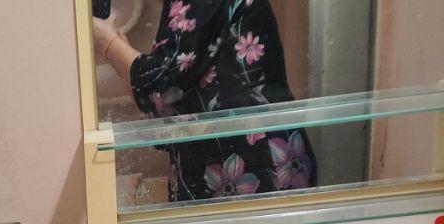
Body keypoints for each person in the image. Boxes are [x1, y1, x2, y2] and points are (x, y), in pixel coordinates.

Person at [93, 0, 317, 202]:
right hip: (235, 166)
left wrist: (106, 40)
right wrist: (113, 42)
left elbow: (161, 84)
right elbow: (160, 102)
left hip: (253, 167)